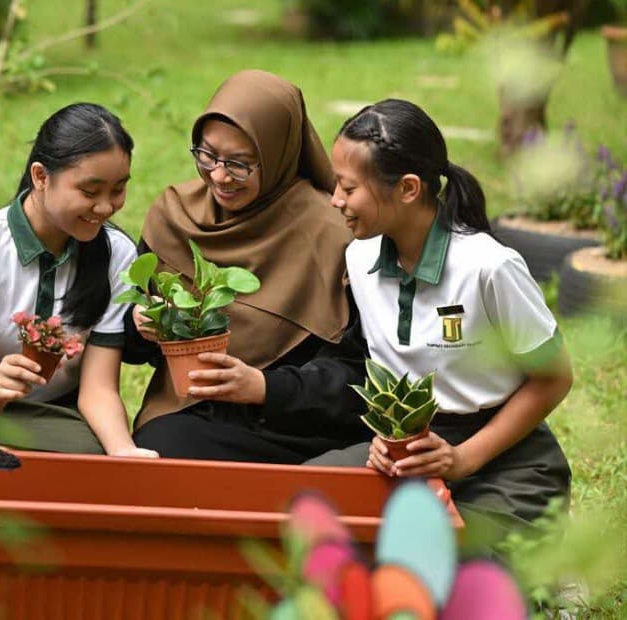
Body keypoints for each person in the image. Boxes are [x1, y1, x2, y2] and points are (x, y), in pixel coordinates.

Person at [307, 99, 572, 533]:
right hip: (411, 455)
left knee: (449, 558)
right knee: (298, 509)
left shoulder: (489, 267)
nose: (335, 200)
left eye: (349, 188)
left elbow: (554, 378)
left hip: (506, 460)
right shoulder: (360, 257)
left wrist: (462, 459)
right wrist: (387, 442)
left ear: (408, 189)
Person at [123, 70, 372, 463]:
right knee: (159, 449)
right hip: (196, 413)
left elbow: (358, 375)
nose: (219, 176)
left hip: (296, 425)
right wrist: (141, 324)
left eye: (240, 164)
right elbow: (131, 349)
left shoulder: (334, 236)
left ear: (277, 155)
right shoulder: (175, 217)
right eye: (206, 155)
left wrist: (263, 387)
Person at [0, 103, 156, 458]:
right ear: (41, 177)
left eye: (117, 190)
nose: (105, 207)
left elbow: (98, 390)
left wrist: (124, 453)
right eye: (90, 191)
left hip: (55, 415)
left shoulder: (117, 254)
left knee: (88, 458)